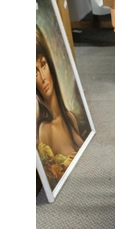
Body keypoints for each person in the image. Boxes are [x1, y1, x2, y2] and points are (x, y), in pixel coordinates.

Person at [36, 24, 87, 185]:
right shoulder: (45, 129)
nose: (43, 77)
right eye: (33, 72)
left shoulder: (69, 117)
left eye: (43, 64)